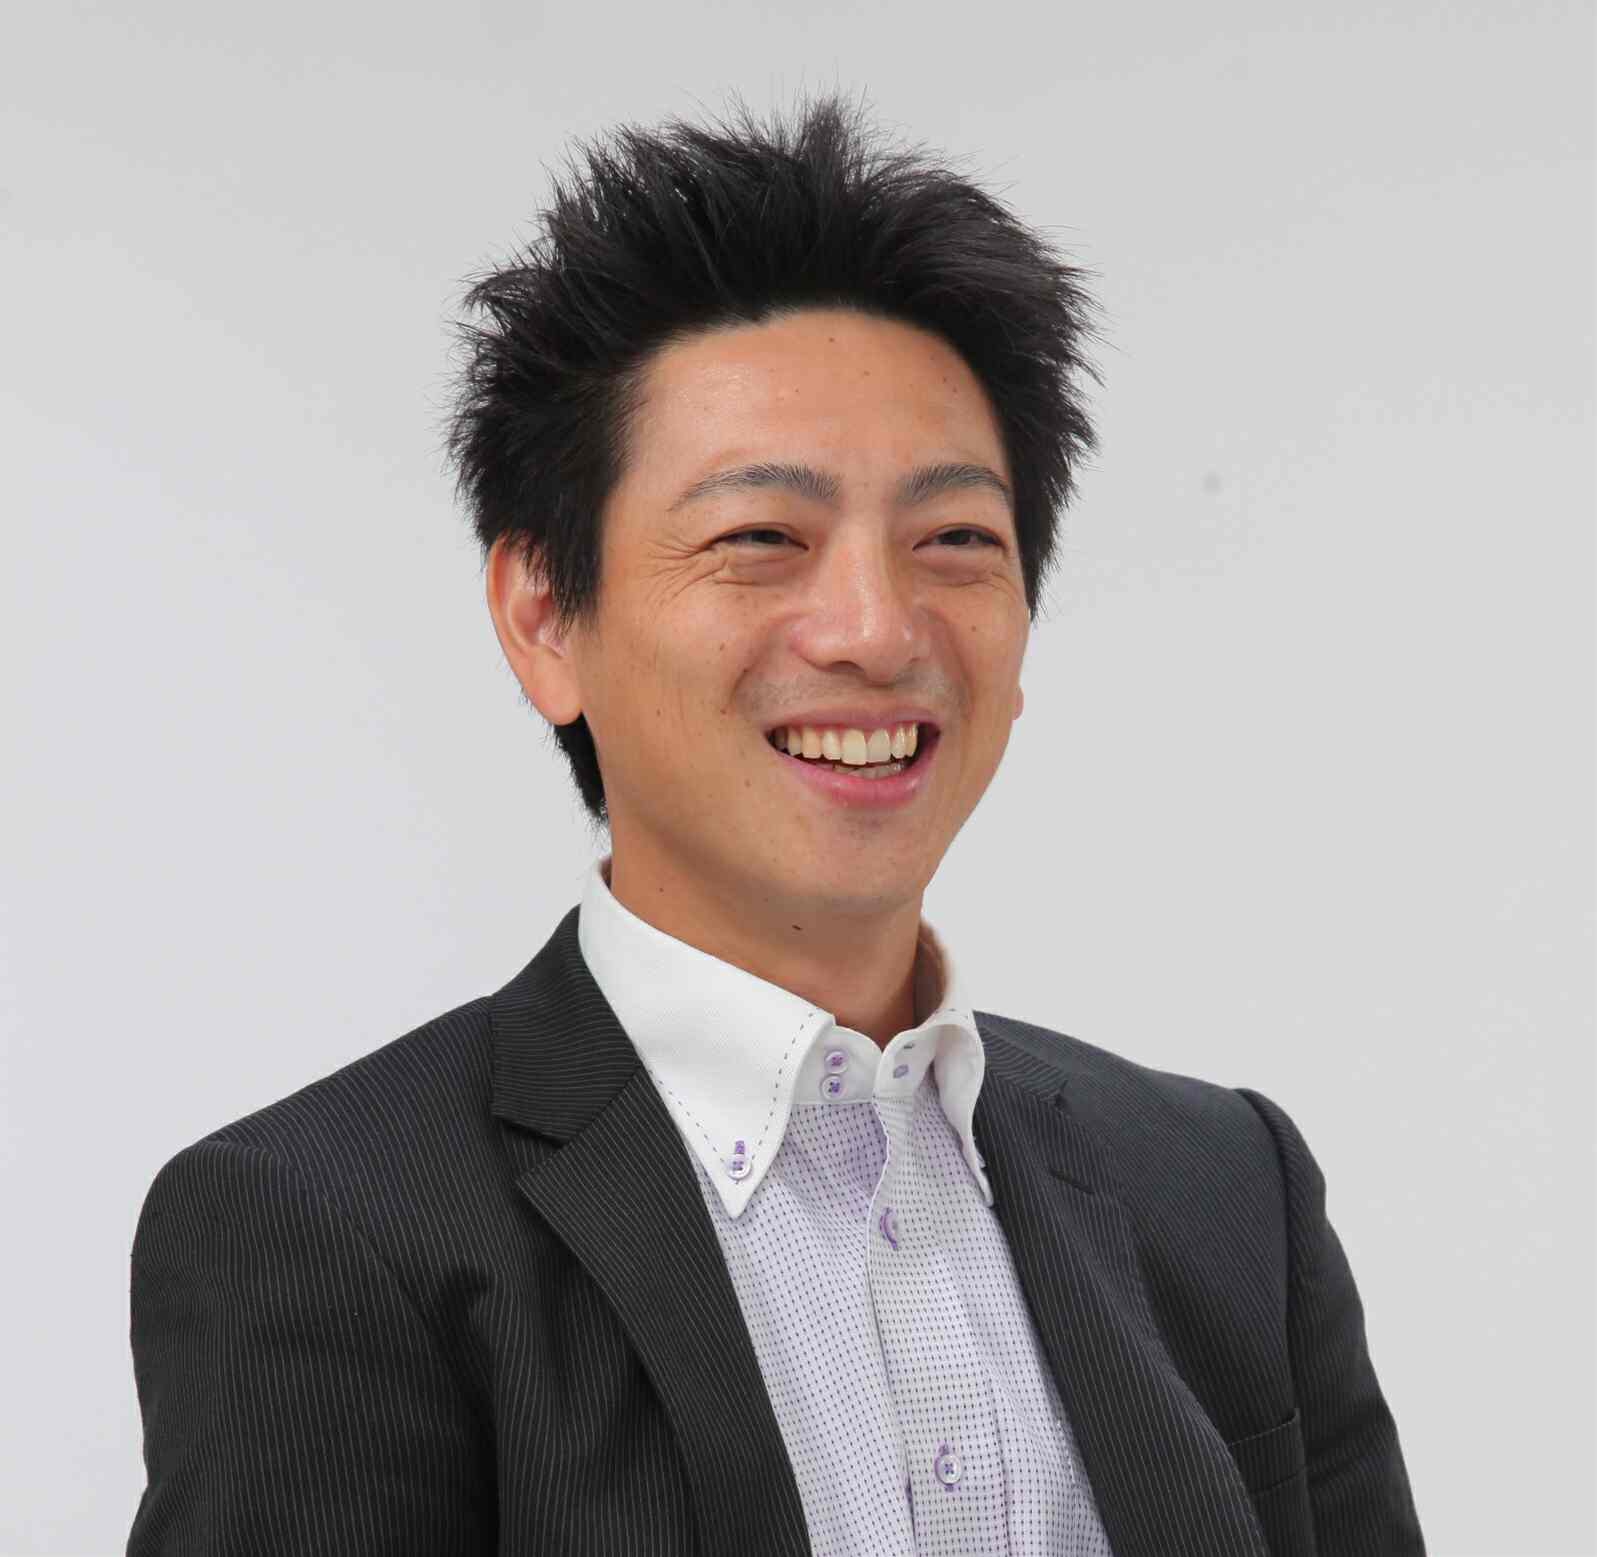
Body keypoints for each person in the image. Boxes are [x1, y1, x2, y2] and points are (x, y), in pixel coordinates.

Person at [125, 91, 1425, 1556]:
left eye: (954, 539)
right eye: (760, 538)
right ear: (543, 615)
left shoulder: (1223, 1188)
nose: (875, 628)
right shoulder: (329, 1226)